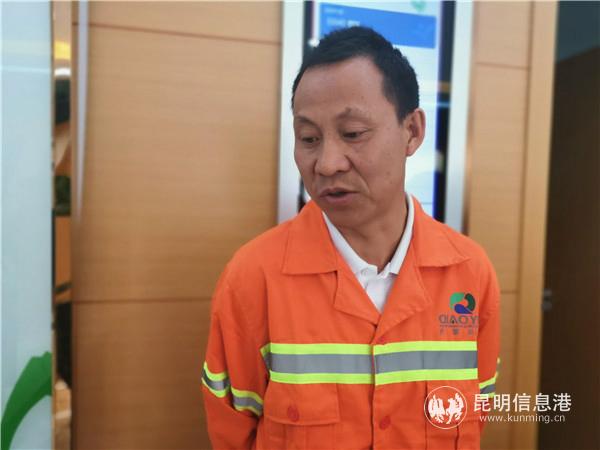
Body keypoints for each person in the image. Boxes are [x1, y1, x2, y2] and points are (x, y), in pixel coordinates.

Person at [202, 26, 500, 450]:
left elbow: (476, 413)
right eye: (309, 139)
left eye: (353, 133)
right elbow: (233, 432)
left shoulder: (470, 274)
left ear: (412, 131)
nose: (326, 164)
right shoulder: (253, 278)